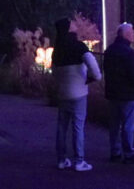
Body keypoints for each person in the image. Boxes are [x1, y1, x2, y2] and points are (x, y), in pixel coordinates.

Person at [53, 18, 102, 172]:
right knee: (78, 127)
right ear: (68, 29)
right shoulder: (79, 46)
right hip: (79, 92)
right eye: (71, 24)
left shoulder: (57, 50)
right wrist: (93, 78)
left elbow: (55, 73)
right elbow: (93, 65)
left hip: (63, 93)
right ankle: (79, 161)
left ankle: (61, 160)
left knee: (62, 127)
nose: (74, 25)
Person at [103, 22, 134, 164]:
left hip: (113, 93)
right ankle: (129, 153)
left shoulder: (109, 51)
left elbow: (106, 71)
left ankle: (115, 151)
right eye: (132, 33)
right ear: (126, 35)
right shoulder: (129, 53)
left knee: (114, 124)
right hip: (128, 94)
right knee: (128, 125)